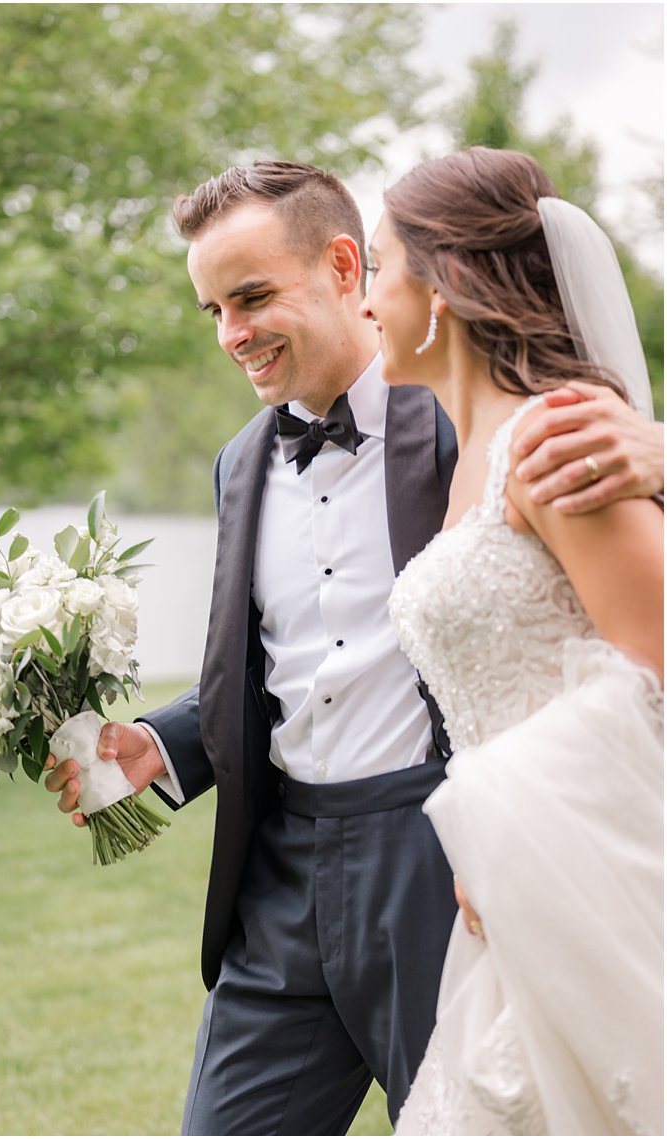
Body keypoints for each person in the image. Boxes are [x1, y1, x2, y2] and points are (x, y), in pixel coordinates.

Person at [42, 160, 662, 1133]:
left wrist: (656, 444)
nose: (228, 334)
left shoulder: (473, 414)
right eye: (210, 308)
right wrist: (161, 746)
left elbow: (617, 595)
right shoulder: (237, 461)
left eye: (249, 297)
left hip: (439, 859)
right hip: (278, 872)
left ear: (344, 268)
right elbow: (276, 667)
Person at [361, 147, 662, 1134]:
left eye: (374, 268)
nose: (365, 302)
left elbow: (653, 669)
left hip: (586, 881)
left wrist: (511, 829)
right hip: (506, 894)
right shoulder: (462, 464)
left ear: (437, 284)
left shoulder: (552, 439)